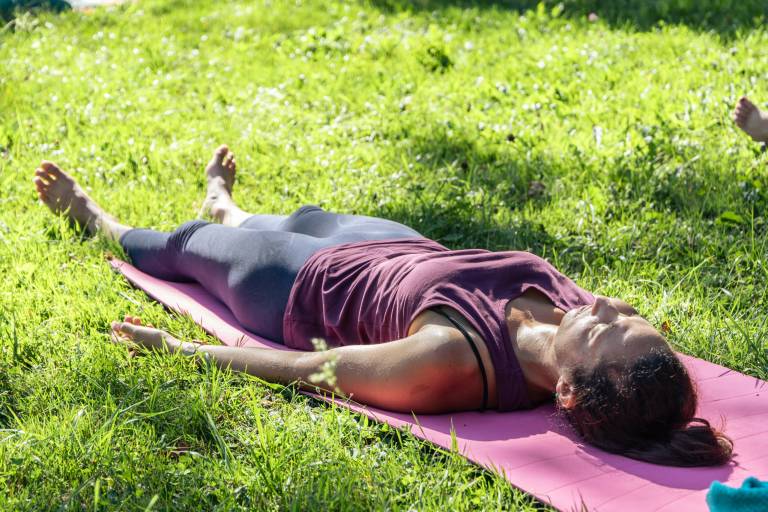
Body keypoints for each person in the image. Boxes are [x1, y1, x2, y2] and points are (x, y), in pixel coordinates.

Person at [33, 145, 733, 467]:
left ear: (575, 392)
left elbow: (314, 371)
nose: (605, 304)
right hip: (394, 246)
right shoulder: (574, 318)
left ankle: (98, 218)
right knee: (286, 214)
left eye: (608, 328)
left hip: (301, 284)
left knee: (185, 247)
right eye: (628, 311)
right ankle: (229, 205)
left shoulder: (447, 364)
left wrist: (181, 350)